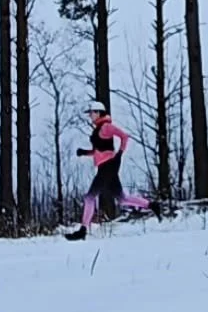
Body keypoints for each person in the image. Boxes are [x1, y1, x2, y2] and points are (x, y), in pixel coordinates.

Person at [64, 101, 150, 240]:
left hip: (108, 166)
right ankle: (151, 205)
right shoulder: (98, 129)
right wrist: (85, 153)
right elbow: (100, 151)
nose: (90, 116)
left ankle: (83, 230)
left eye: (91, 113)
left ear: (98, 113)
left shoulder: (106, 127)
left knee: (90, 197)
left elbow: (124, 136)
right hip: (106, 167)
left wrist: (120, 154)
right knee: (122, 199)